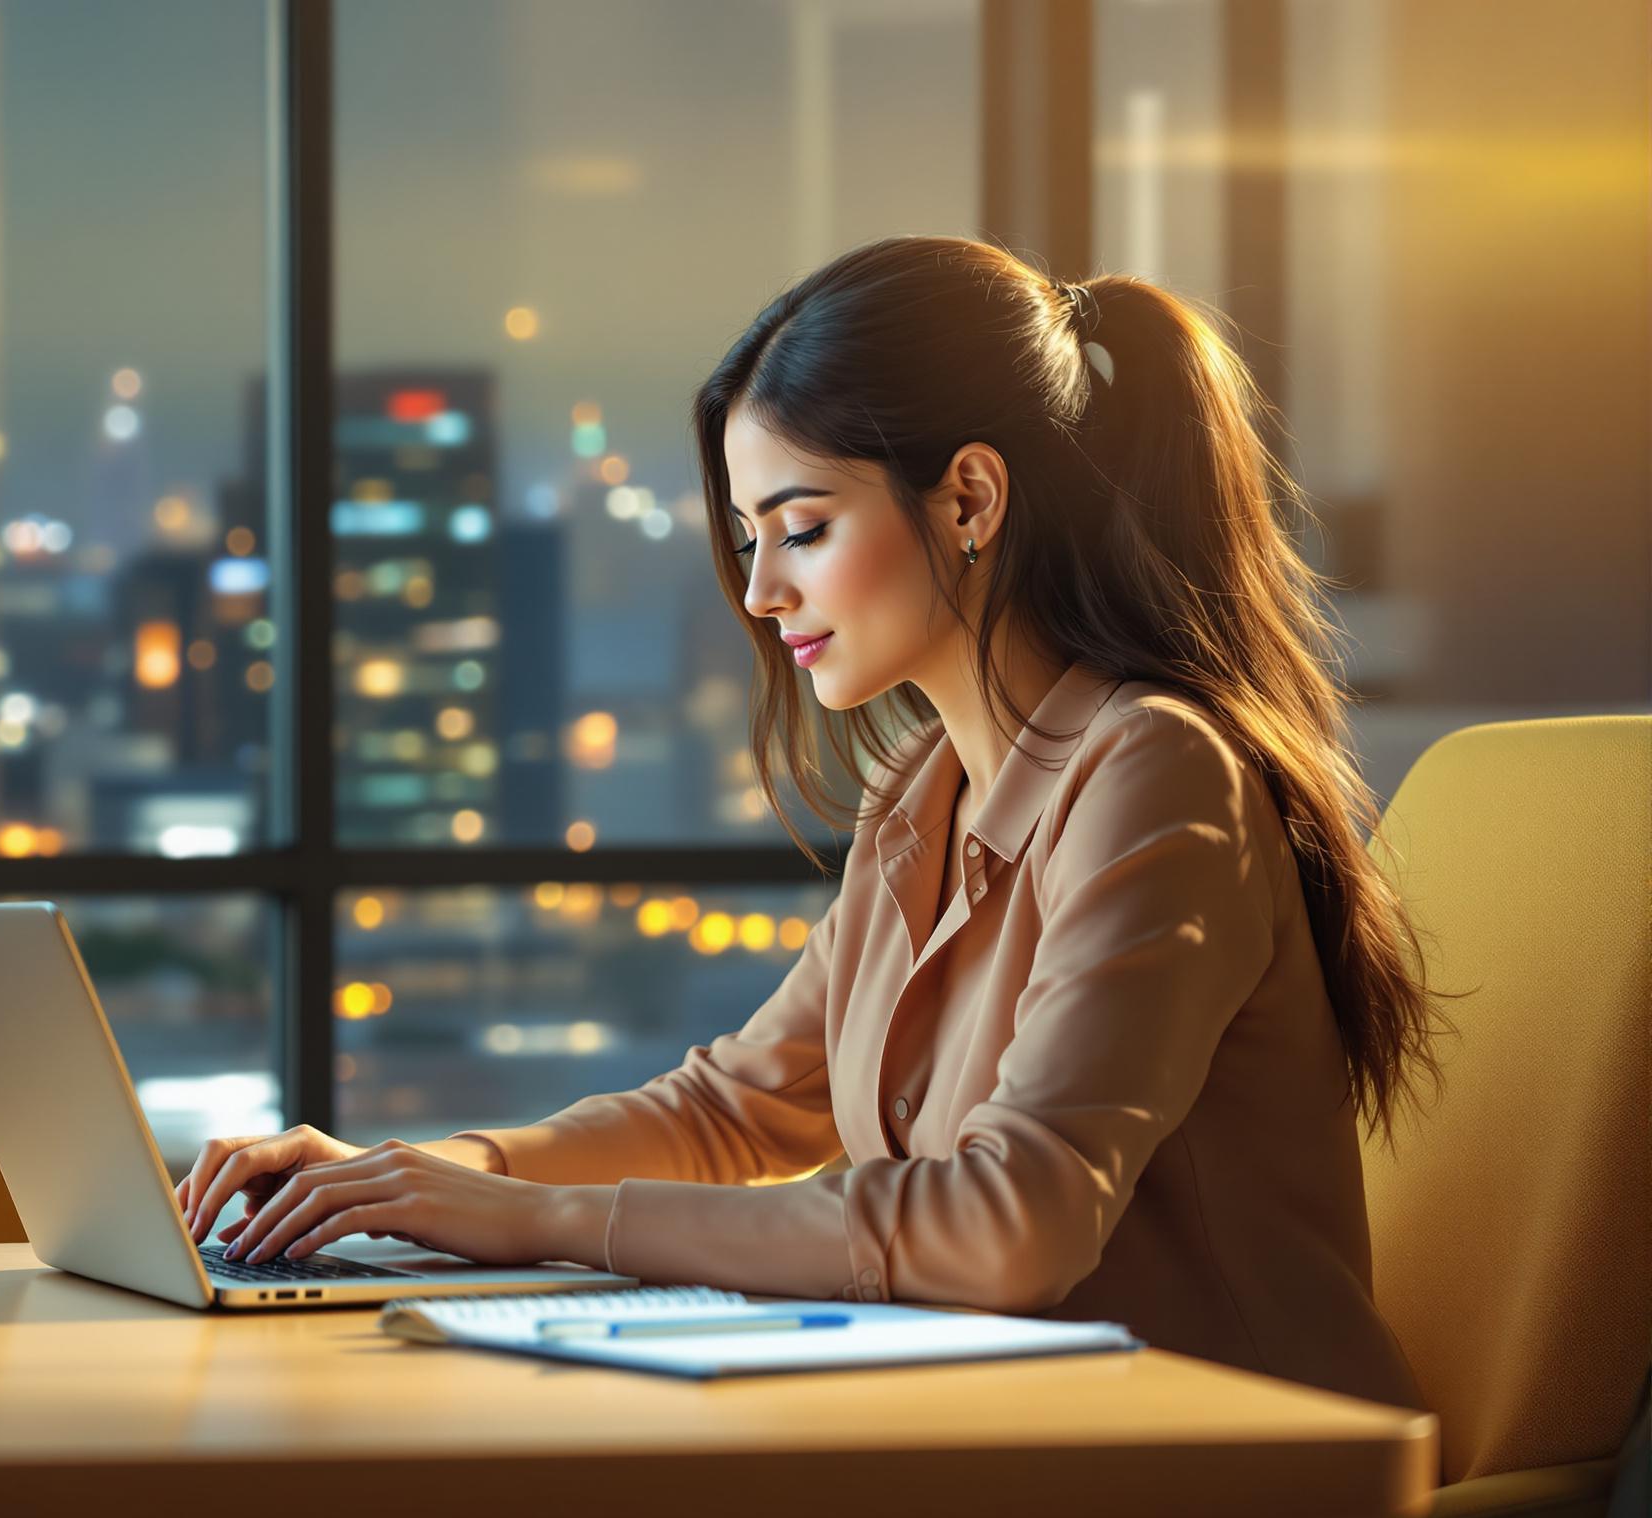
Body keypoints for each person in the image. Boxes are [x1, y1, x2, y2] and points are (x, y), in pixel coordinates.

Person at [176, 235, 1452, 1410]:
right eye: (744, 537)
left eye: (802, 528)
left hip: (1232, 1462)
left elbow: (1012, 1225)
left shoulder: (1156, 772)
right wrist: (438, 1176)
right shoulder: (924, 792)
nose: (758, 588)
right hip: (1010, 1435)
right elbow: (731, 1113)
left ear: (967, 500)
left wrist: (539, 1224)